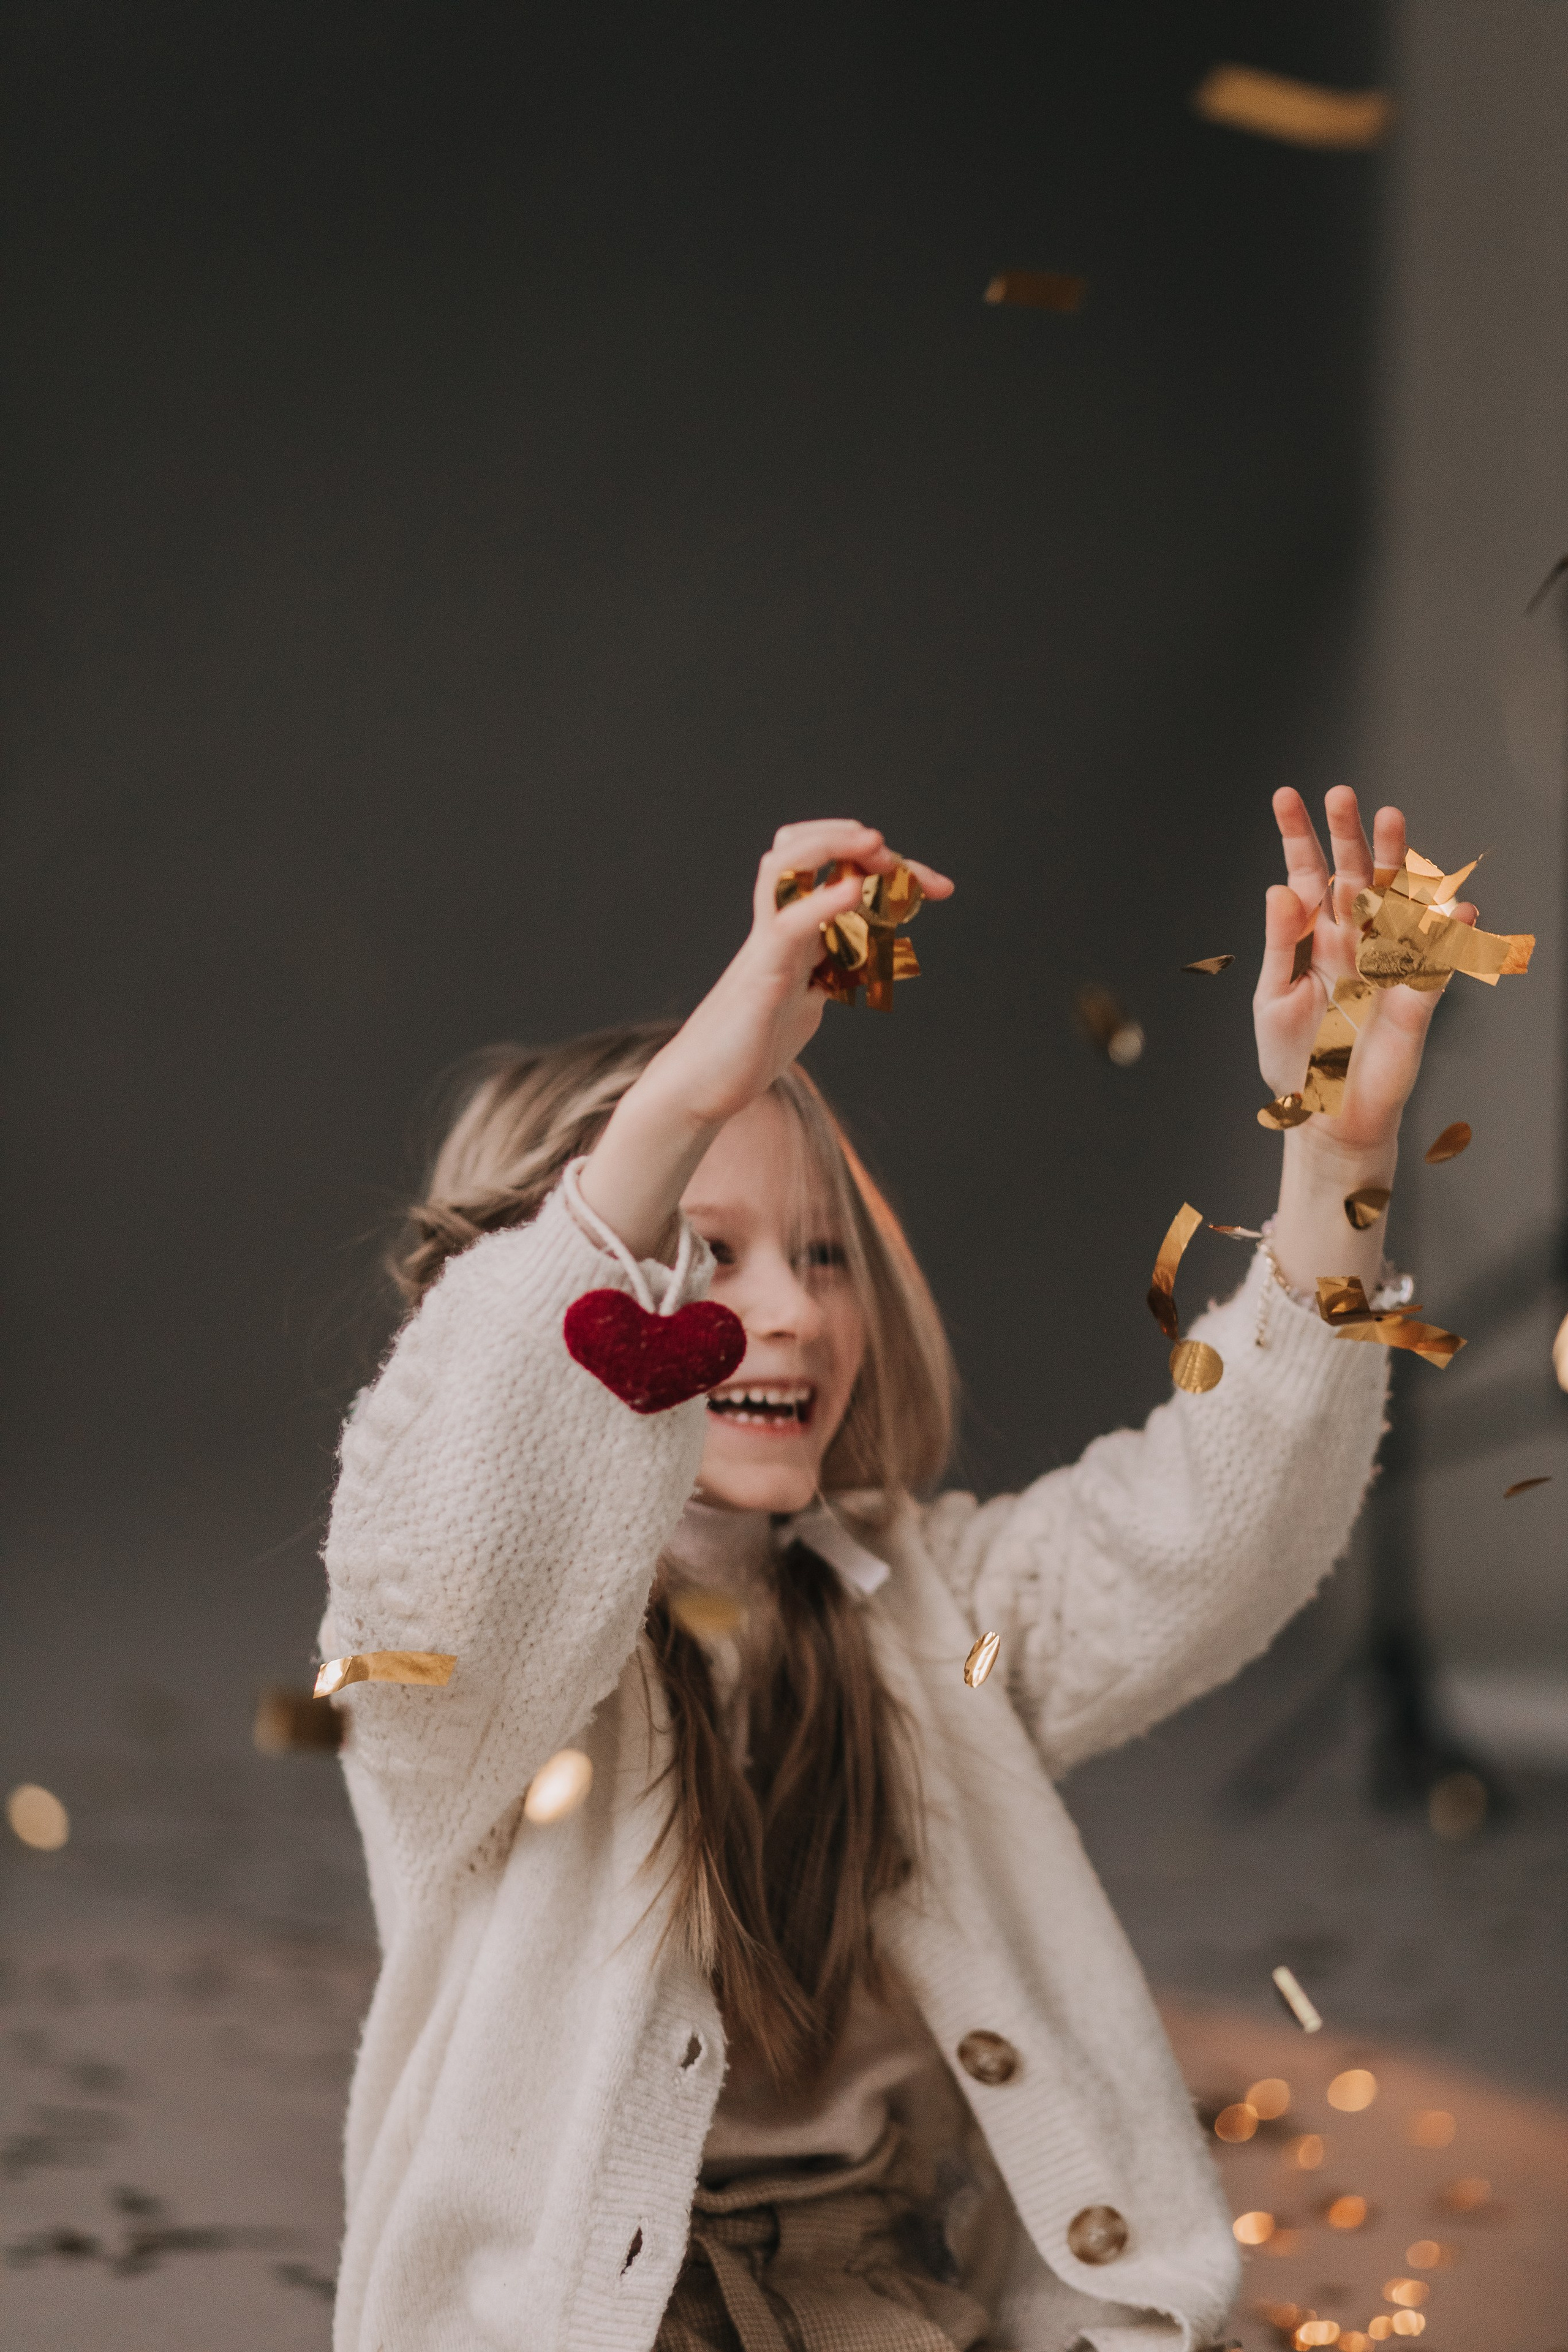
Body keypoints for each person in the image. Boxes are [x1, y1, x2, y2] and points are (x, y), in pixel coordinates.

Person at [321, 795, 1461, 2352]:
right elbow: (453, 1535)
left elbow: (1214, 1532)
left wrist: (1334, 1160)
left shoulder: (929, 1612)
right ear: (533, 1305)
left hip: (884, 2289)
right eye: (700, 1251)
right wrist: (687, 1091)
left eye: (822, 1253)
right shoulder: (465, 1691)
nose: (790, 1312)